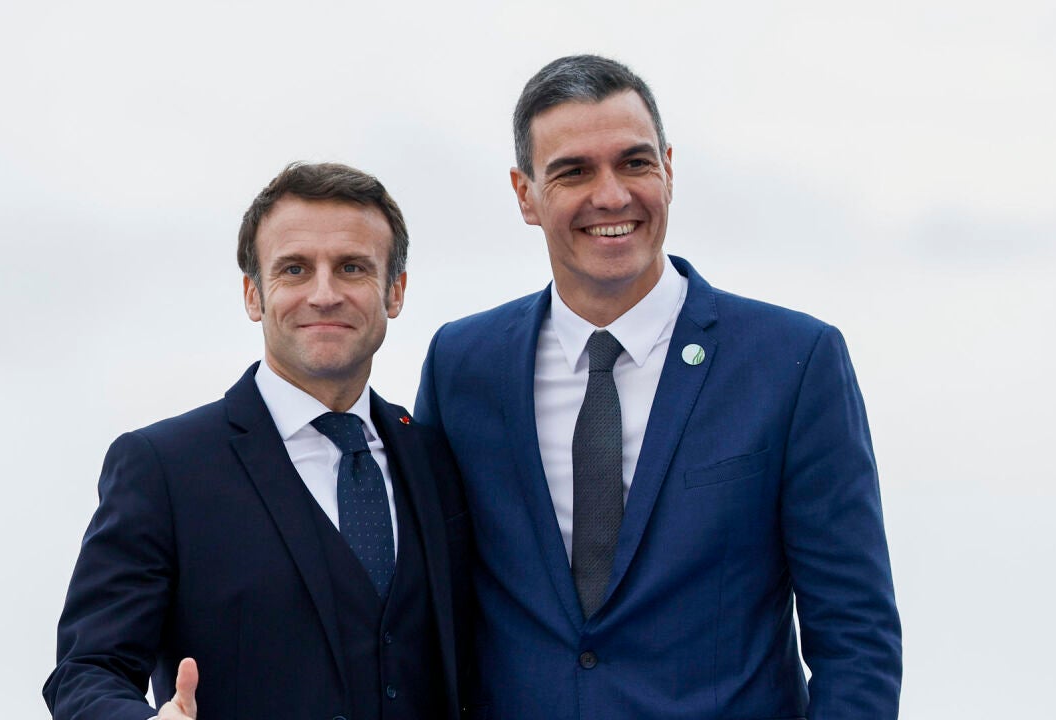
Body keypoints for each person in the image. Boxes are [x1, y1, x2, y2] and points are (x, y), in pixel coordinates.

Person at [415, 55, 902, 719]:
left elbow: (856, 637)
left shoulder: (793, 362)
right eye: (573, 171)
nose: (612, 195)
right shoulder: (462, 366)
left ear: (669, 170)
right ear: (524, 194)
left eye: (635, 163)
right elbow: (429, 608)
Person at [45, 161, 469, 720]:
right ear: (253, 295)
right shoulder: (164, 468)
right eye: (294, 269)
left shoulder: (437, 459)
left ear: (395, 292)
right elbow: (86, 671)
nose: (324, 294)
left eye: (351, 268)